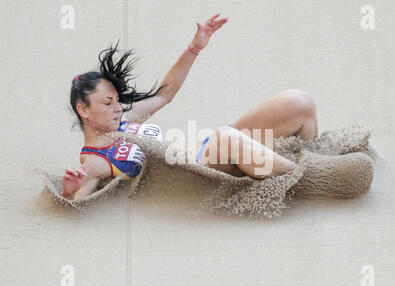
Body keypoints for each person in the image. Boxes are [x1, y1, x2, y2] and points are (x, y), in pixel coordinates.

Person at [62, 13, 318, 200]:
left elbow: (166, 94)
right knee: (226, 136)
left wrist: (194, 48)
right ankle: (317, 179)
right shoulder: (93, 159)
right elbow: (80, 197)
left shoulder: (128, 119)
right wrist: (70, 192)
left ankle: (313, 156)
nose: (117, 108)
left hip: (215, 148)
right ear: (83, 109)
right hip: (205, 170)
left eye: (117, 100)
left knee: (299, 102)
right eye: (107, 103)